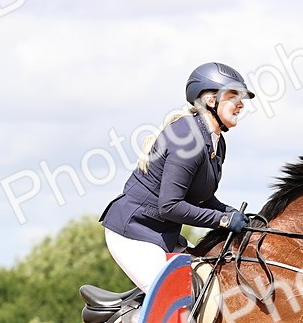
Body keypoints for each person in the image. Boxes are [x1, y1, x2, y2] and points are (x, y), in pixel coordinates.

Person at [100, 62, 254, 292]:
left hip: (164, 234)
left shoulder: (216, 141)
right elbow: (170, 206)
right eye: (234, 96)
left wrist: (230, 212)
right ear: (211, 101)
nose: (241, 104)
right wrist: (222, 220)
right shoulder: (187, 139)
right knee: (177, 297)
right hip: (133, 234)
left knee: (213, 284)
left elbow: (201, 198)